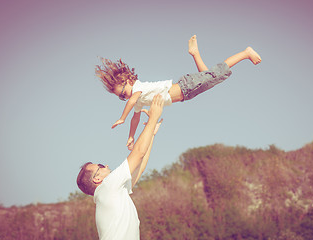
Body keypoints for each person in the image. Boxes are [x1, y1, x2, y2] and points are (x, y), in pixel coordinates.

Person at [95, 35, 261, 150]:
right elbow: (136, 118)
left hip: (186, 86)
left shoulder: (138, 87)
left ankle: (245, 53)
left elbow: (131, 105)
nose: (126, 98)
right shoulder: (137, 99)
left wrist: (121, 118)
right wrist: (130, 137)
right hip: (187, 95)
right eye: (121, 98)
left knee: (216, 74)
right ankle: (195, 54)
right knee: (211, 76)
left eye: (123, 93)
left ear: (128, 82)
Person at [76, 95, 164, 240]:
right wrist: (153, 118)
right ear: (97, 178)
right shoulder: (108, 186)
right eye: (101, 166)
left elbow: (139, 167)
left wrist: (152, 133)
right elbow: (138, 153)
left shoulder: (111, 192)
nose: (107, 165)